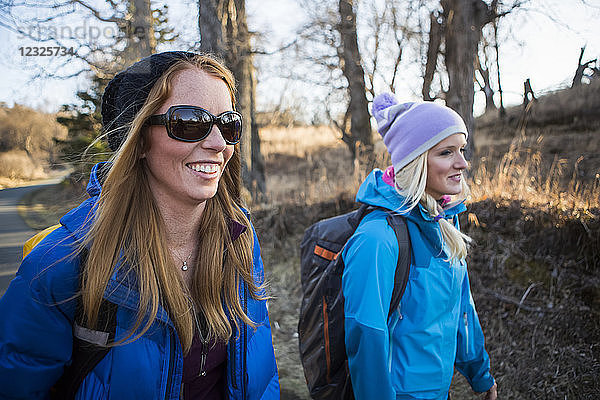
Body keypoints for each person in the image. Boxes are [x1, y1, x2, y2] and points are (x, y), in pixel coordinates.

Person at [0, 51, 279, 399]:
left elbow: (260, 377)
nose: (218, 143)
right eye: (190, 122)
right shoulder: (60, 264)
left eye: (228, 124)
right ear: (139, 139)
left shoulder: (239, 237)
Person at [341, 93, 497, 400]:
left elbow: (462, 308)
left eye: (461, 150)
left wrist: (480, 373)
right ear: (415, 160)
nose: (462, 163)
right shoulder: (377, 239)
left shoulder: (444, 221)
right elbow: (366, 341)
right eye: (446, 152)